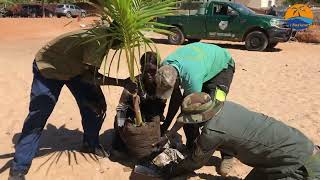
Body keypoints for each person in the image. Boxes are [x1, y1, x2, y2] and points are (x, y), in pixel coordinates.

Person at [9, 24, 136, 180]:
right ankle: (18, 168)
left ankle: (90, 143)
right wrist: (122, 82)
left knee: (97, 106)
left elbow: (89, 72)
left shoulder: (104, 37)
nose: (123, 46)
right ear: (118, 35)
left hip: (75, 70)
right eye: (123, 41)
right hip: (50, 67)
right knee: (38, 116)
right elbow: (91, 77)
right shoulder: (99, 40)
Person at [153, 92, 320, 180]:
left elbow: (196, 161)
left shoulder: (212, 132)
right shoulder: (226, 106)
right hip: (290, 150)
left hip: (300, 167)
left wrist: (173, 170)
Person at [155, 42, 235, 175]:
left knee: (214, 115)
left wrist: (169, 135)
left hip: (222, 67)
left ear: (178, 80)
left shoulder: (192, 78)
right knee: (191, 120)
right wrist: (166, 126)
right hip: (203, 64)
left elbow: (188, 113)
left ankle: (227, 155)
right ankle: (194, 149)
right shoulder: (165, 67)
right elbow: (176, 100)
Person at [111, 51, 166, 156]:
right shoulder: (134, 83)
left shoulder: (161, 84)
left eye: (153, 71)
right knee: (118, 149)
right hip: (132, 115)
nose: (149, 75)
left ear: (159, 69)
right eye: (146, 71)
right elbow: (121, 108)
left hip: (151, 113)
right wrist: (121, 127)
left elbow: (161, 105)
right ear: (141, 69)